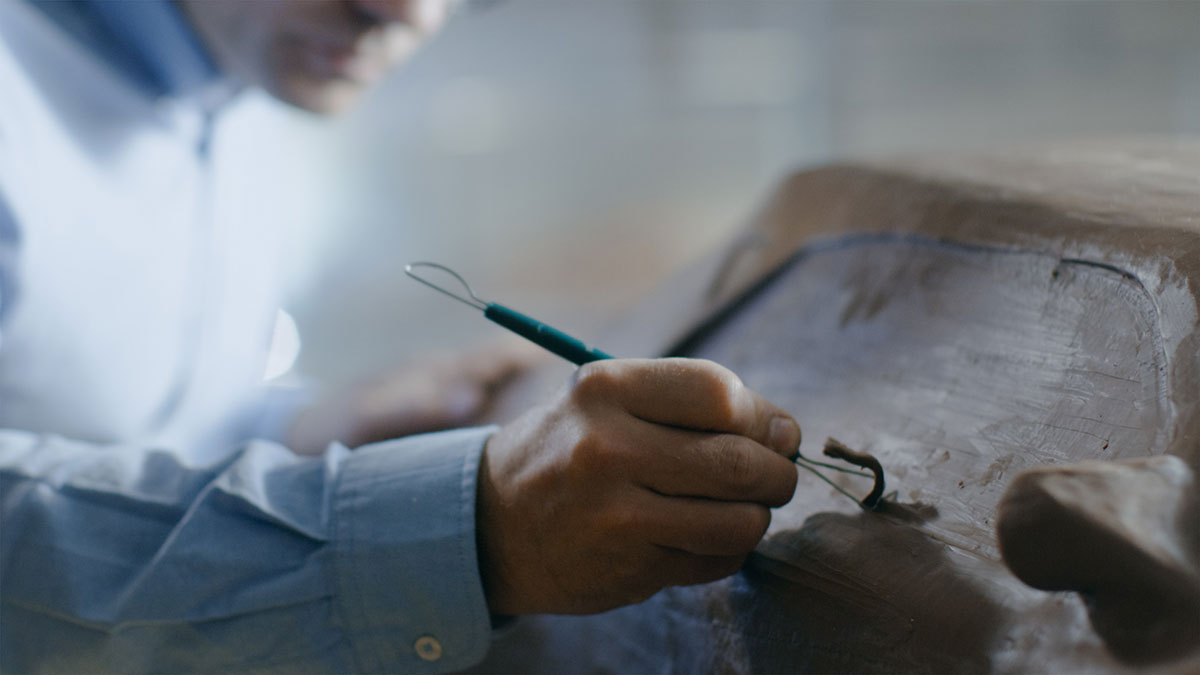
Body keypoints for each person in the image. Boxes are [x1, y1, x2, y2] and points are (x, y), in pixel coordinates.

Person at [0, 1, 802, 672]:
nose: (406, 13)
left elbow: (105, 434)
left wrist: (298, 432)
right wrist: (466, 537)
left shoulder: (244, 99)